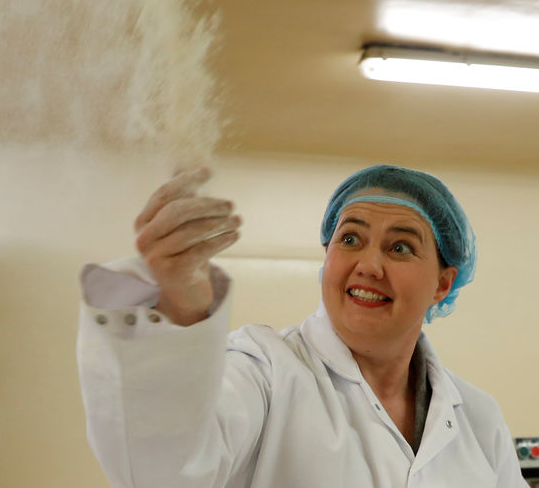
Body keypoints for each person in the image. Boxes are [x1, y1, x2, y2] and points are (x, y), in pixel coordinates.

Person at [77, 164, 528, 488]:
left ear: (442, 284)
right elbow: (164, 471)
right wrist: (177, 303)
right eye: (349, 239)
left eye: (401, 248)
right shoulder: (264, 371)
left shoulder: (476, 418)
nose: (368, 265)